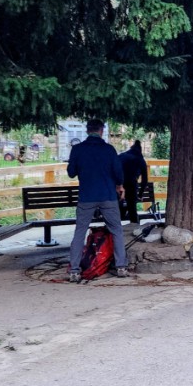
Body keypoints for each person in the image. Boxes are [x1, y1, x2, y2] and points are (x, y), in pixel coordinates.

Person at [66, 119, 128, 282]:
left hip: (86, 196)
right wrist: (119, 185)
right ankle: (121, 267)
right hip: (107, 195)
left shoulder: (77, 149)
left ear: (87, 131)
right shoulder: (109, 150)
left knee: (80, 231)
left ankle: (74, 270)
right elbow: (118, 172)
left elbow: (71, 172)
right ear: (101, 131)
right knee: (116, 230)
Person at [118, 139, 149, 225]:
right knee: (132, 209)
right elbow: (145, 180)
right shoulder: (140, 160)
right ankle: (134, 227)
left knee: (118, 207)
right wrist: (140, 194)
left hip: (119, 185)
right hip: (131, 184)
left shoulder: (121, 156)